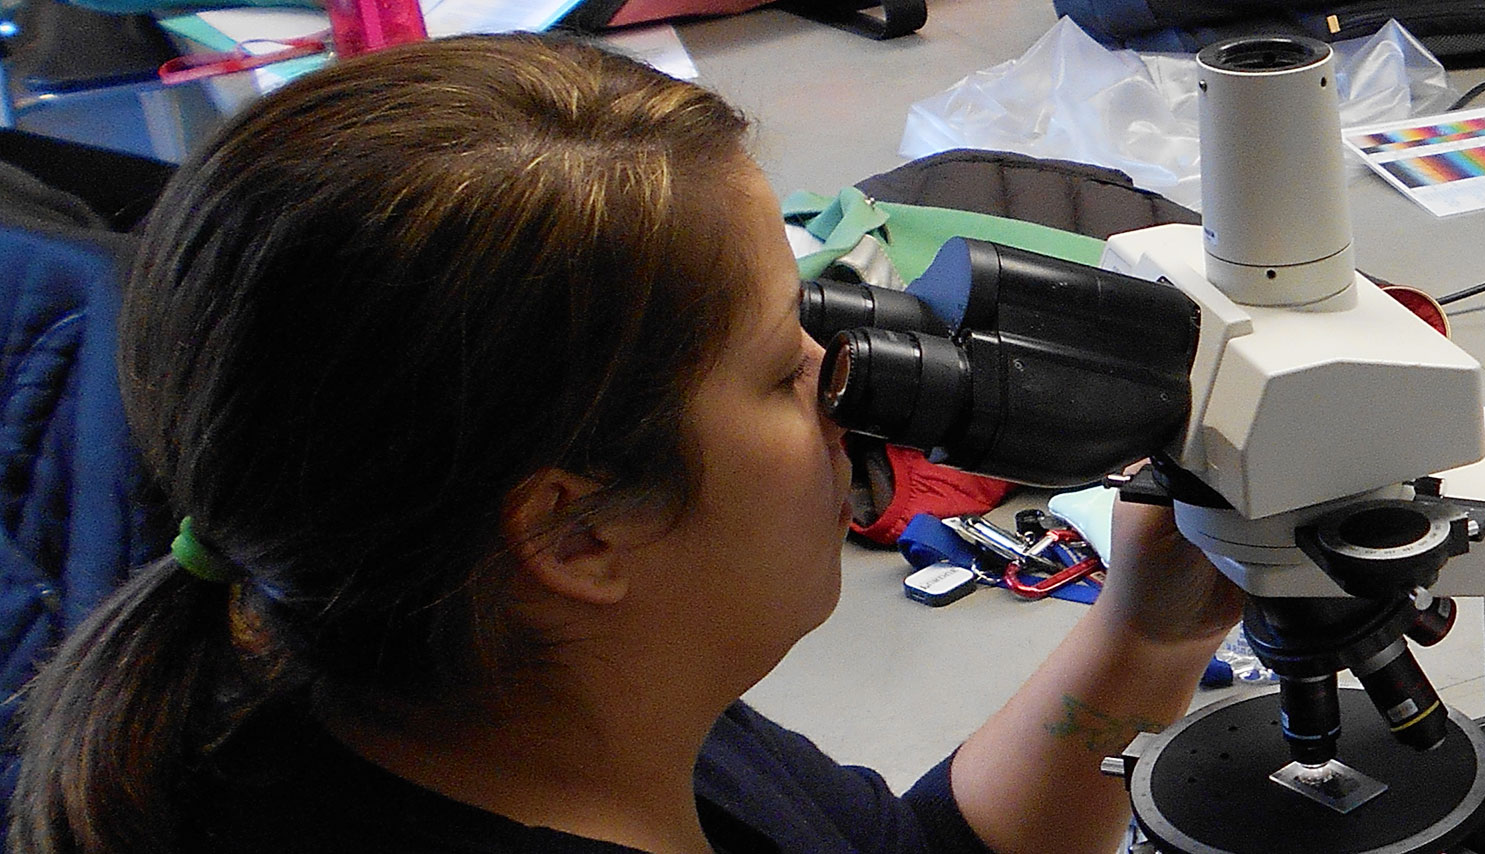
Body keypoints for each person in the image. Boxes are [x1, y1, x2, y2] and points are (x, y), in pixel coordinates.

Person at [6, 33, 1242, 854]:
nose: (843, 379)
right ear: (576, 532)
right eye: (783, 367)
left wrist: (1145, 633)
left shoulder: (520, 693)